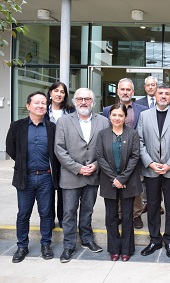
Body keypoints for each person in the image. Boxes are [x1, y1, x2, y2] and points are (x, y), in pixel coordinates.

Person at [55, 88, 109, 263]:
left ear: (93, 102)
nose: (83, 102)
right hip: (71, 175)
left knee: (87, 210)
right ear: (74, 101)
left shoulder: (103, 121)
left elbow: (106, 148)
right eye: (80, 99)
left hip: (93, 175)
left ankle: (87, 239)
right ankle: (69, 245)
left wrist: (95, 165)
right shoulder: (64, 121)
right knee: (69, 212)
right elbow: (59, 149)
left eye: (87, 99)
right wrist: (78, 168)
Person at [6, 91, 60, 263]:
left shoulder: (52, 127)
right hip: (25, 177)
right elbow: (10, 148)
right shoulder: (17, 126)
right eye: (36, 103)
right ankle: (22, 246)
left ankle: (46, 245)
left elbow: (56, 152)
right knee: (23, 214)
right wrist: (22, 163)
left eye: (43, 103)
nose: (40, 106)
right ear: (28, 106)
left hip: (46, 177)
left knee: (46, 214)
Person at [138, 83, 170, 258]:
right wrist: (150, 163)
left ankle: (169, 240)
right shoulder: (144, 115)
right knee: (152, 205)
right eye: (161, 93)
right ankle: (154, 239)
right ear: (155, 95)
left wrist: (169, 164)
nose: (164, 96)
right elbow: (140, 141)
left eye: (167, 93)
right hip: (151, 170)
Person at [97, 103, 142, 262]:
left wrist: (122, 178)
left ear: (125, 117)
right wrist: (114, 179)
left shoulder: (133, 134)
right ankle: (114, 249)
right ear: (109, 116)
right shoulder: (102, 134)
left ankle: (126, 249)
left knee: (128, 216)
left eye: (120, 115)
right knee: (111, 216)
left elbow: (135, 157)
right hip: (109, 181)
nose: (117, 118)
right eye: (114, 115)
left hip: (128, 181)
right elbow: (100, 157)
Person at [103, 78, 148, 229]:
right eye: (122, 89)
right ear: (117, 91)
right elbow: (105, 133)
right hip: (114, 156)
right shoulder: (107, 110)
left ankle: (136, 215)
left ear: (133, 92)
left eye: (128, 90)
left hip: (135, 155)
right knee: (116, 185)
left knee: (135, 186)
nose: (125, 92)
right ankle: (120, 214)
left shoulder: (142, 110)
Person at [45, 82, 75, 229]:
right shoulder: (43, 110)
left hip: (66, 155)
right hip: (48, 156)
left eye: (62, 92)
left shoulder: (70, 111)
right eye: (56, 91)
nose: (59, 94)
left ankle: (63, 219)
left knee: (64, 189)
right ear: (50, 93)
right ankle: (49, 220)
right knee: (49, 189)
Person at [134, 76, 164, 215]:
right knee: (144, 179)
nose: (151, 87)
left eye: (153, 85)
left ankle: (159, 203)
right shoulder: (138, 104)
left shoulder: (163, 102)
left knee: (161, 178)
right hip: (144, 146)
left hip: (161, 147)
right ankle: (145, 203)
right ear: (145, 87)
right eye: (148, 85)